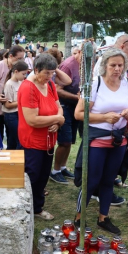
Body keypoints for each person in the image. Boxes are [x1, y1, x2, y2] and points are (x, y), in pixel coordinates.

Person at [74, 48, 128, 234]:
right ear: (104, 66)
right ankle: (79, 218)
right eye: (113, 65)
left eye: (120, 65)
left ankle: (103, 217)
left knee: (109, 179)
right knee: (91, 180)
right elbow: (79, 114)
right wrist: (104, 118)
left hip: (118, 140)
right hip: (98, 139)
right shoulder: (95, 85)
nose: (117, 69)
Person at [18, 54, 65, 220]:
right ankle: (24, 209)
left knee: (43, 175)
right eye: (46, 73)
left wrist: (59, 121)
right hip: (32, 141)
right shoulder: (28, 88)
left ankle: (37, 208)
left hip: (48, 141)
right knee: (32, 176)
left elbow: (58, 108)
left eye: (52, 73)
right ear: (36, 70)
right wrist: (58, 119)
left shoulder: (50, 84)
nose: (50, 77)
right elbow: (32, 120)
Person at [52, 46, 82, 184]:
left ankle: (63, 167)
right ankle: (55, 170)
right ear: (80, 52)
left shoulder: (85, 64)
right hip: (64, 106)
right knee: (64, 141)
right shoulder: (68, 65)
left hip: (75, 106)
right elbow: (58, 90)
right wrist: (77, 98)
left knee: (70, 140)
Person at [0, 45, 25, 143]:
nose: (21, 61)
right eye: (19, 58)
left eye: (22, 58)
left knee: (12, 137)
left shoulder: (18, 68)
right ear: (11, 56)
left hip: (12, 110)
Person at [2, 60, 29, 149]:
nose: (25, 76)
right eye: (23, 74)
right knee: (19, 139)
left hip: (19, 113)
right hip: (11, 115)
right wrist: (22, 102)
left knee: (12, 141)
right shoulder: (9, 84)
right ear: (16, 72)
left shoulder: (20, 82)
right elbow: (8, 105)